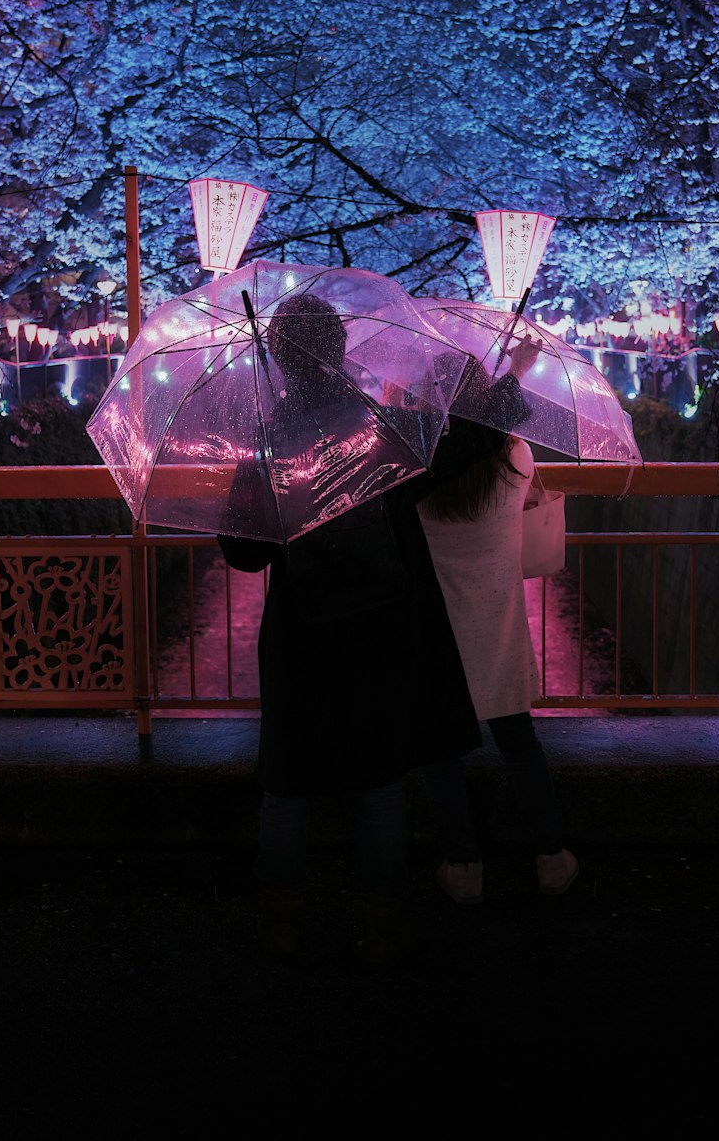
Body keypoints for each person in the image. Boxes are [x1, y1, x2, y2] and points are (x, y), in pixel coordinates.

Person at [216, 292, 482, 964]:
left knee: (287, 782)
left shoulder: (271, 444)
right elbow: (447, 455)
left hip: (303, 640)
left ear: (277, 356)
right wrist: (487, 401)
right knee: (381, 777)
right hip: (379, 631)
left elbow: (242, 552)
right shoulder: (379, 429)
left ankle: (281, 918)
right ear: (337, 351)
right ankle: (382, 918)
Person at [416, 339, 579, 906]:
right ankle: (551, 857)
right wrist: (513, 372)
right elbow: (487, 432)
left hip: (437, 628)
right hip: (498, 624)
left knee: (441, 753)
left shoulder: (416, 468)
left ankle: (463, 867)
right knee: (520, 744)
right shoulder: (516, 458)